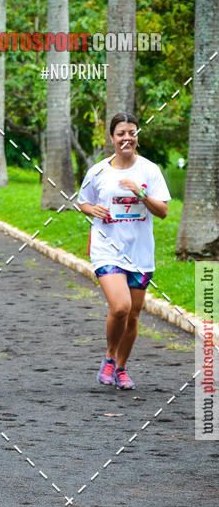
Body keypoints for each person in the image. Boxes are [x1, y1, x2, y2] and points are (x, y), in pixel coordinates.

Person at [77, 113, 171, 389]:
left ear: (136, 136)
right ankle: (109, 357)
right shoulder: (98, 171)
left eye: (131, 132)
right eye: (121, 133)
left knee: (133, 315)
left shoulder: (149, 170)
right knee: (121, 307)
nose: (127, 138)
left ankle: (121, 368)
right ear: (112, 138)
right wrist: (91, 209)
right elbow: (83, 202)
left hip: (140, 252)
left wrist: (140, 193)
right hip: (108, 248)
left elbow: (163, 211)